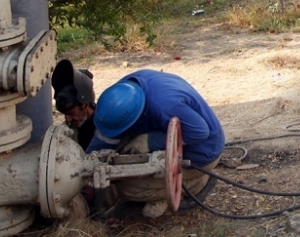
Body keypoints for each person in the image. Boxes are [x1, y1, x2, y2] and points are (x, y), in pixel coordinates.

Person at [87, 69, 225, 218]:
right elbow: (105, 138)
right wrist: (86, 163)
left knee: (128, 189)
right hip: (163, 126)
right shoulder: (125, 91)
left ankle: (198, 182)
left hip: (202, 151)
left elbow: (199, 132)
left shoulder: (165, 105)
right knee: (122, 151)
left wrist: (150, 141)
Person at [52, 59, 96, 151]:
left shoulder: (104, 127)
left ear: (85, 105)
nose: (68, 120)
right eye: (65, 114)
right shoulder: (69, 129)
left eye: (71, 113)